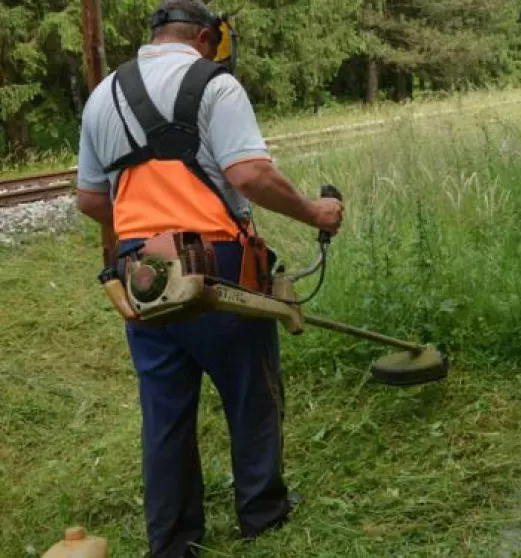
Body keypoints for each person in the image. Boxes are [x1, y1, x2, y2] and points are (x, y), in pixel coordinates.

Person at [74, 1, 344, 556]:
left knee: (165, 405)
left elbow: (91, 199)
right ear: (203, 37)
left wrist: (147, 234)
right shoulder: (214, 84)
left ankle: (173, 540)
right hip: (217, 262)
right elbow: (249, 173)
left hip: (142, 269)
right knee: (251, 388)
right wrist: (315, 213)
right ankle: (262, 512)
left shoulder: (103, 94)